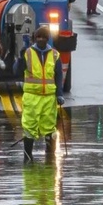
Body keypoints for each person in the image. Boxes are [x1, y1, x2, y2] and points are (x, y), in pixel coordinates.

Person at [14, 26, 64, 162]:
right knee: (29, 127)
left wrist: (59, 94)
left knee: (49, 127)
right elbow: (17, 72)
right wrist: (20, 57)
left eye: (44, 37)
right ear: (35, 38)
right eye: (38, 37)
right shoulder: (28, 53)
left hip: (49, 98)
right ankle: (28, 157)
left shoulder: (55, 55)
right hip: (32, 97)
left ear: (48, 39)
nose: (41, 39)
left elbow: (58, 75)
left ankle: (50, 156)